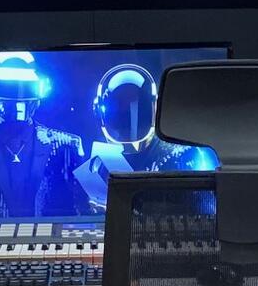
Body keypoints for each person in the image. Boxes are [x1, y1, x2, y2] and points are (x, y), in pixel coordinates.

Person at [0, 52, 91, 218]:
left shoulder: (67, 145)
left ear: (37, 98)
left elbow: (86, 209)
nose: (18, 103)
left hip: (50, 234)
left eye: (25, 92)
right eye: (9, 92)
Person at [70, 64, 215, 211]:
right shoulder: (96, 166)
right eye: (120, 108)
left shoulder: (181, 156)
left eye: (136, 108)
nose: (128, 119)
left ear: (154, 109)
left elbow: (202, 212)